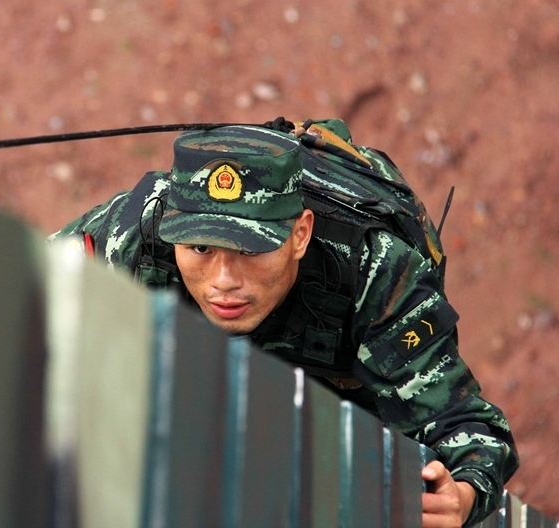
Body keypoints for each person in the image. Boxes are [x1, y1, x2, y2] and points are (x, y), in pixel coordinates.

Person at [50, 119, 518, 527]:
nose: (223, 282)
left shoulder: (372, 269)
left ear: (300, 235)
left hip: (345, 405)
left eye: (251, 250)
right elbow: (18, 296)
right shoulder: (135, 232)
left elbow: (465, 425)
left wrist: (463, 495)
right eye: (200, 249)